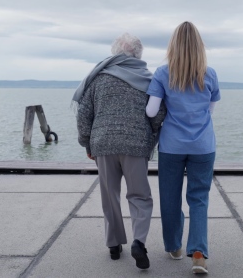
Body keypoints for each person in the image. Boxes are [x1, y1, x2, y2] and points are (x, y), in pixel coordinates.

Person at [74, 33, 166, 270]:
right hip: (136, 145)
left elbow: (84, 115)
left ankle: (114, 245)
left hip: (103, 144)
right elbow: (159, 113)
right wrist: (152, 135)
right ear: (139, 54)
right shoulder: (149, 79)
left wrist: (87, 143)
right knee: (139, 196)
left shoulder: (98, 78)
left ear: (115, 52)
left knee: (109, 195)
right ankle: (138, 242)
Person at [145, 21, 220, 274]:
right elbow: (210, 110)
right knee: (199, 198)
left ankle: (175, 246)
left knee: (169, 197)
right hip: (203, 145)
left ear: (173, 45)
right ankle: (198, 254)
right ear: (200, 46)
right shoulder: (210, 74)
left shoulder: (162, 73)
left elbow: (151, 110)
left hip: (172, 146)